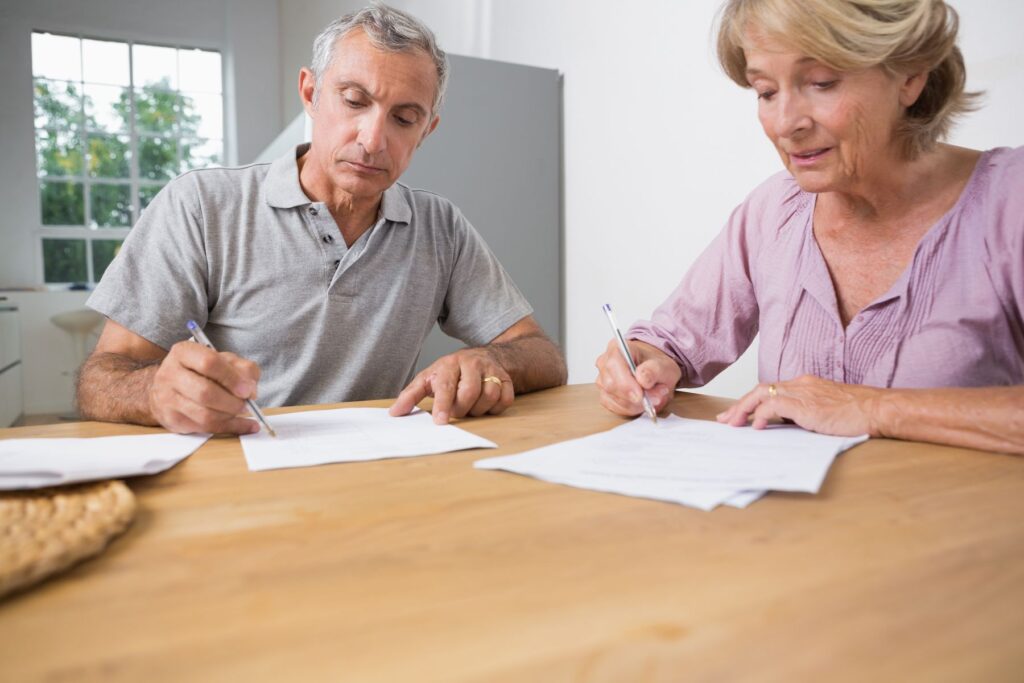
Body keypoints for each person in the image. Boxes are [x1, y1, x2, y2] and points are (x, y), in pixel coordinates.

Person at [77, 4, 566, 435]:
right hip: (236, 477)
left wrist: (491, 360)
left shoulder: (441, 226)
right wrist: (155, 393)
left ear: (427, 131)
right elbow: (100, 378)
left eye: (404, 118)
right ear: (310, 93)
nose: (373, 139)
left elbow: (543, 356)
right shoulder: (201, 205)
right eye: (354, 101)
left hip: (376, 475)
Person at [595, 0, 1023, 454]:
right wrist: (642, 364)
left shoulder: (1009, 201)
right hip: (790, 522)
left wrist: (872, 408)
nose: (785, 124)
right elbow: (671, 345)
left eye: (821, 83)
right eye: (765, 92)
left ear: (911, 75)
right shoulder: (774, 211)